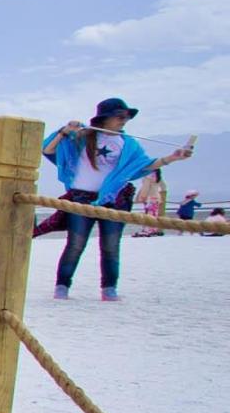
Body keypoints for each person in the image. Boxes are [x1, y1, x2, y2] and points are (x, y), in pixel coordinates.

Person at [40, 97, 193, 301]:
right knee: (75, 244)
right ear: (104, 118)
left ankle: (109, 289)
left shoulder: (128, 144)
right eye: (120, 116)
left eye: (127, 116)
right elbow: (48, 149)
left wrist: (172, 158)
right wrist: (64, 131)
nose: (124, 120)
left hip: (114, 199)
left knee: (111, 246)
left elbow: (143, 165)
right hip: (81, 198)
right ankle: (62, 287)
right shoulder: (83, 137)